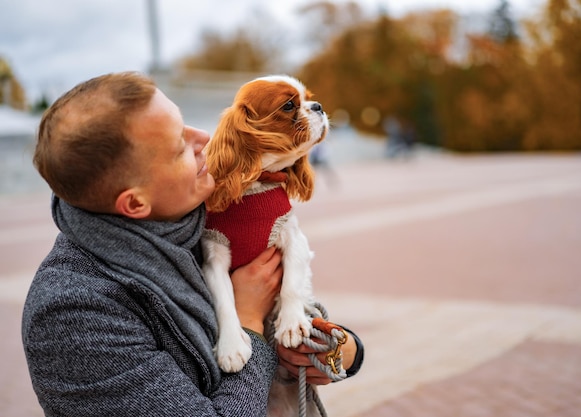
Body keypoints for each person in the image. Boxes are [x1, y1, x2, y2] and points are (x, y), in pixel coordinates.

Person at [22, 71, 363, 416]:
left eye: (186, 123)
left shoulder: (196, 217)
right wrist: (248, 323)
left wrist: (344, 351)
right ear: (136, 203)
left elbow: (294, 303)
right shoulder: (75, 313)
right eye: (178, 146)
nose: (204, 138)